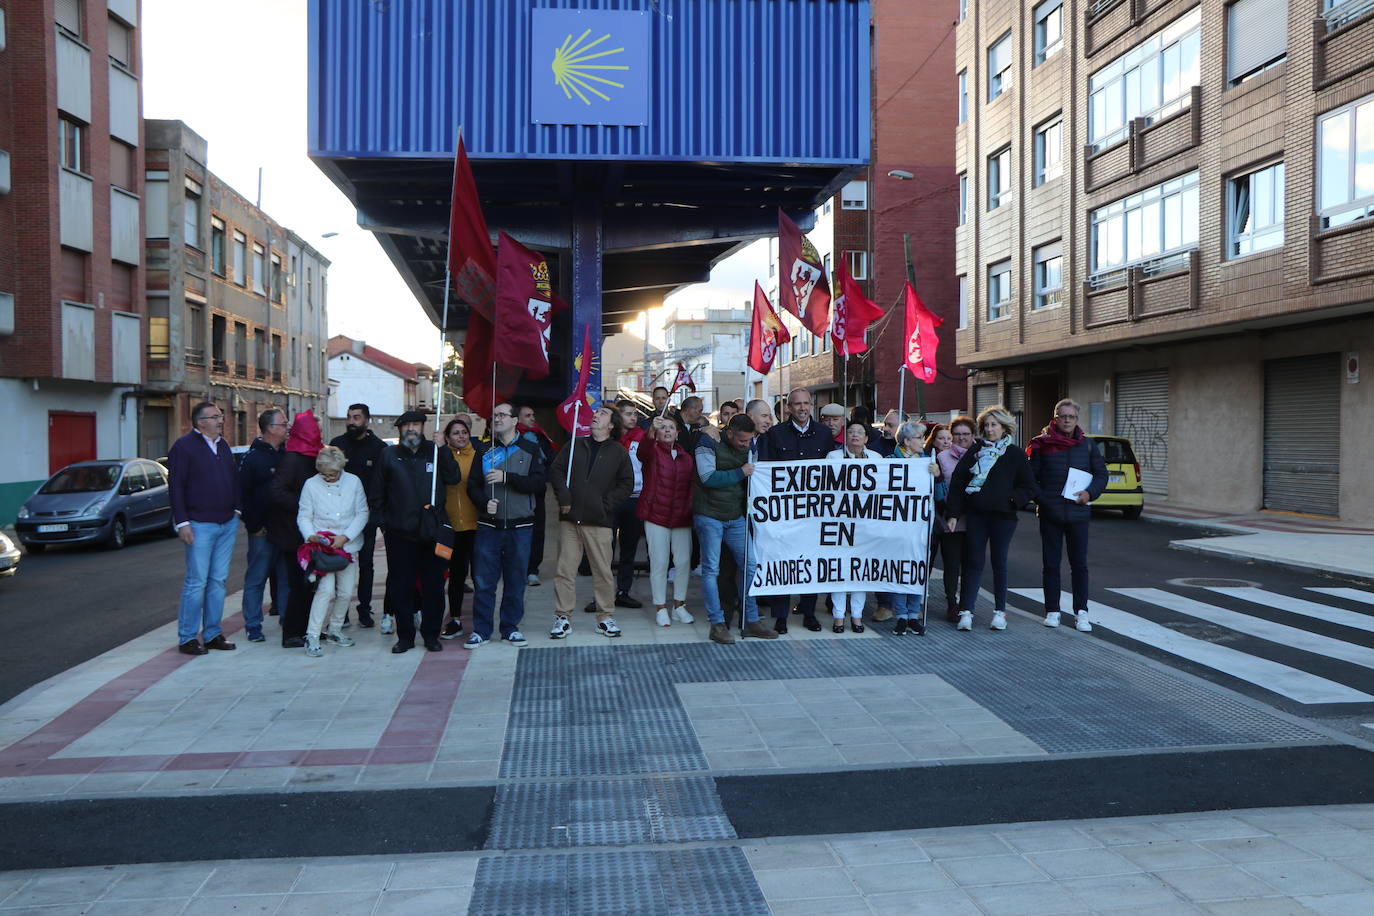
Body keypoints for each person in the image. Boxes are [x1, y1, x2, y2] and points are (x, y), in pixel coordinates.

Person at [371, 410, 460, 653]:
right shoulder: (388, 455)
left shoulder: (435, 450)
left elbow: (454, 477)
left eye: (416, 424)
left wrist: (443, 448)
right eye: (407, 425)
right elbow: (377, 494)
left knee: (433, 587)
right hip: (400, 534)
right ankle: (406, 637)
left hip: (432, 532)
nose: (412, 429)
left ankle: (431, 635)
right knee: (401, 588)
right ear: (399, 428)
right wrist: (384, 525)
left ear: (423, 427)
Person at [946, 406, 1038, 632]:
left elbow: (1028, 486)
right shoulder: (975, 451)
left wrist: (1011, 500)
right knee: (973, 563)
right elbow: (958, 483)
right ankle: (966, 611)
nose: (989, 429)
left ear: (1004, 426)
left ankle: (999, 612)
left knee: (1000, 563)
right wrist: (953, 514)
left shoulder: (1015, 454)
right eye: (986, 425)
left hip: (1004, 517)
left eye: (993, 425)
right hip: (977, 515)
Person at [465, 404, 546, 648]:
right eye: (494, 415)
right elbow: (473, 486)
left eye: (502, 415)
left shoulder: (531, 449)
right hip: (489, 526)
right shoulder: (484, 450)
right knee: (484, 580)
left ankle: (510, 627)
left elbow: (539, 484)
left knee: (515, 580)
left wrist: (507, 478)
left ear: (513, 421)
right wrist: (482, 503)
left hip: (520, 527)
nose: (497, 419)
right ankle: (481, 630)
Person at [549, 406, 634, 639]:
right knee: (564, 571)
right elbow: (556, 471)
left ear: (612, 425)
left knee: (603, 572)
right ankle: (562, 617)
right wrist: (564, 497)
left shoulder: (618, 452)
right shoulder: (575, 444)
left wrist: (604, 505)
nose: (595, 415)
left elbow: (627, 484)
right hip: (570, 519)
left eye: (602, 414)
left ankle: (605, 617)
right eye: (596, 413)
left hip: (599, 521)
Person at [694, 414, 778, 644]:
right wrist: (741, 472)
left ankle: (750, 620)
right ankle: (717, 623)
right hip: (709, 515)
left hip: (735, 515)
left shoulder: (750, 445)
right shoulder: (708, 441)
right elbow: (707, 477)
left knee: (750, 564)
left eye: (749, 440)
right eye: (742, 441)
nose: (746, 445)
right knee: (711, 569)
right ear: (729, 433)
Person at [1027, 398, 1108, 633]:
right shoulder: (1042, 445)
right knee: (1050, 565)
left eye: (1071, 417)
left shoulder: (1088, 446)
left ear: (1076, 419)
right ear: (1055, 418)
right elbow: (1032, 479)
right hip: (1050, 513)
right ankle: (1052, 611)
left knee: (1079, 565)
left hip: (1078, 514)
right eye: (1063, 417)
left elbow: (1101, 475)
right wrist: (1044, 501)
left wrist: (1089, 493)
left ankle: (1081, 612)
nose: (1067, 421)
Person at [168, 401, 241, 655]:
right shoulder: (183, 447)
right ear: (200, 422)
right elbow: (175, 486)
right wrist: (183, 522)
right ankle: (187, 638)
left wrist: (237, 510)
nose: (221, 420)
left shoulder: (222, 445)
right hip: (199, 525)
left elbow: (233, 478)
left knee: (218, 581)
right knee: (196, 582)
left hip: (226, 523)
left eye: (221, 416)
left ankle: (212, 634)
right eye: (215, 417)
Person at [759, 388, 831, 632]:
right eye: (797, 404)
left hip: (814, 513)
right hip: (784, 513)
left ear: (812, 406)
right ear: (788, 408)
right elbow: (765, 472)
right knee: (783, 561)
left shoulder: (824, 434)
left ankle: (809, 613)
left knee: (811, 560)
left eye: (806, 404)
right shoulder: (775, 435)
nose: (802, 408)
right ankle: (781, 616)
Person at [296, 446, 369, 657]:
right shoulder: (310, 485)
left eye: (333, 474)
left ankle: (335, 629)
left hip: (347, 545)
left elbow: (362, 513)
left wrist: (346, 537)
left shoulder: (353, 482)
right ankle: (312, 634)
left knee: (346, 592)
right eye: (324, 474)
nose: (329, 478)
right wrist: (310, 535)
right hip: (323, 549)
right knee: (325, 591)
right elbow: (304, 516)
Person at [267, 411, 325, 649]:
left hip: (309, 532)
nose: (317, 434)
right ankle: (292, 632)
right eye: (313, 429)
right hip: (292, 534)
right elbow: (276, 492)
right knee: (298, 584)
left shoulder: (313, 456)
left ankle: (309, 629)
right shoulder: (292, 458)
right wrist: (304, 505)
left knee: (311, 584)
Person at [329, 403, 387, 627]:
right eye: (349, 417)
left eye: (356, 418)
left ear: (367, 420)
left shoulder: (379, 448)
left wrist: (376, 513)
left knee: (366, 565)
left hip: (366, 518)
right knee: (339, 563)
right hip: (338, 518)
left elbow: (382, 483)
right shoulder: (337, 445)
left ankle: (364, 609)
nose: (351, 422)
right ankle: (341, 613)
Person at [636, 417, 696, 626]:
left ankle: (679, 606)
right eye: (663, 428)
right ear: (657, 433)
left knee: (683, 563)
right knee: (659, 562)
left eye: (672, 427)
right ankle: (660, 607)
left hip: (681, 517)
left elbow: (691, 489)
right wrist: (651, 430)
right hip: (656, 516)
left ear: (678, 433)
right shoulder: (651, 452)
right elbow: (642, 451)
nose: (668, 430)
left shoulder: (686, 458)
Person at [238, 407, 290, 643]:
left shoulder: (288, 455)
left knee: (286, 577)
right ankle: (253, 625)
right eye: (283, 424)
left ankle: (289, 621)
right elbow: (242, 496)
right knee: (257, 578)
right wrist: (253, 525)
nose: (286, 427)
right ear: (270, 428)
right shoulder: (252, 458)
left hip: (286, 529)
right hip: (261, 531)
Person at [885, 421, 941, 635]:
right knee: (900, 570)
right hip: (898, 527)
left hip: (920, 527)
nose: (923, 441)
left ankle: (913, 614)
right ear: (907, 441)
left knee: (917, 570)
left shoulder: (927, 462)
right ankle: (900, 615)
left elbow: (940, 495)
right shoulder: (889, 462)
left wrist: (937, 477)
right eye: (919, 437)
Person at [826, 422, 881, 633]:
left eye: (859, 432)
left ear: (867, 438)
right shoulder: (833, 457)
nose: (855, 435)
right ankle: (839, 617)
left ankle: (857, 616)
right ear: (845, 437)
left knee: (861, 571)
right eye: (850, 432)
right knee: (839, 570)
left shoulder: (877, 459)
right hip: (840, 522)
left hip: (866, 524)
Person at [440, 417, 479, 640]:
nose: (461, 436)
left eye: (464, 432)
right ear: (447, 437)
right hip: (450, 529)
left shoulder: (478, 456)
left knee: (481, 575)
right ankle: (454, 619)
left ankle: (481, 620)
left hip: (476, 526)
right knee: (455, 576)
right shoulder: (441, 457)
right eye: (456, 433)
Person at [937, 417, 976, 623]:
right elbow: (938, 485)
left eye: (966, 434)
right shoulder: (942, 457)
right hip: (950, 517)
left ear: (973, 436)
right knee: (951, 564)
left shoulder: (982, 455)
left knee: (971, 564)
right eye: (957, 434)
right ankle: (952, 603)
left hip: (975, 518)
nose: (961, 438)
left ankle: (968, 604)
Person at [611, 401, 647, 611]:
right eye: (628, 414)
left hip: (634, 498)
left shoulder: (642, 439)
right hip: (612, 499)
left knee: (629, 548)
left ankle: (623, 591)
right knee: (605, 549)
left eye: (635, 414)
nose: (633, 418)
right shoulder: (611, 439)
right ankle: (603, 594)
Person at [515, 405, 555, 586]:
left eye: (533, 415)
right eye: (528, 415)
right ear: (518, 419)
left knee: (537, 531)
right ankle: (518, 568)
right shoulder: (511, 437)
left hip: (537, 492)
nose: (532, 418)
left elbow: (551, 459)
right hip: (515, 492)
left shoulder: (540, 436)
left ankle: (533, 569)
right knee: (517, 532)